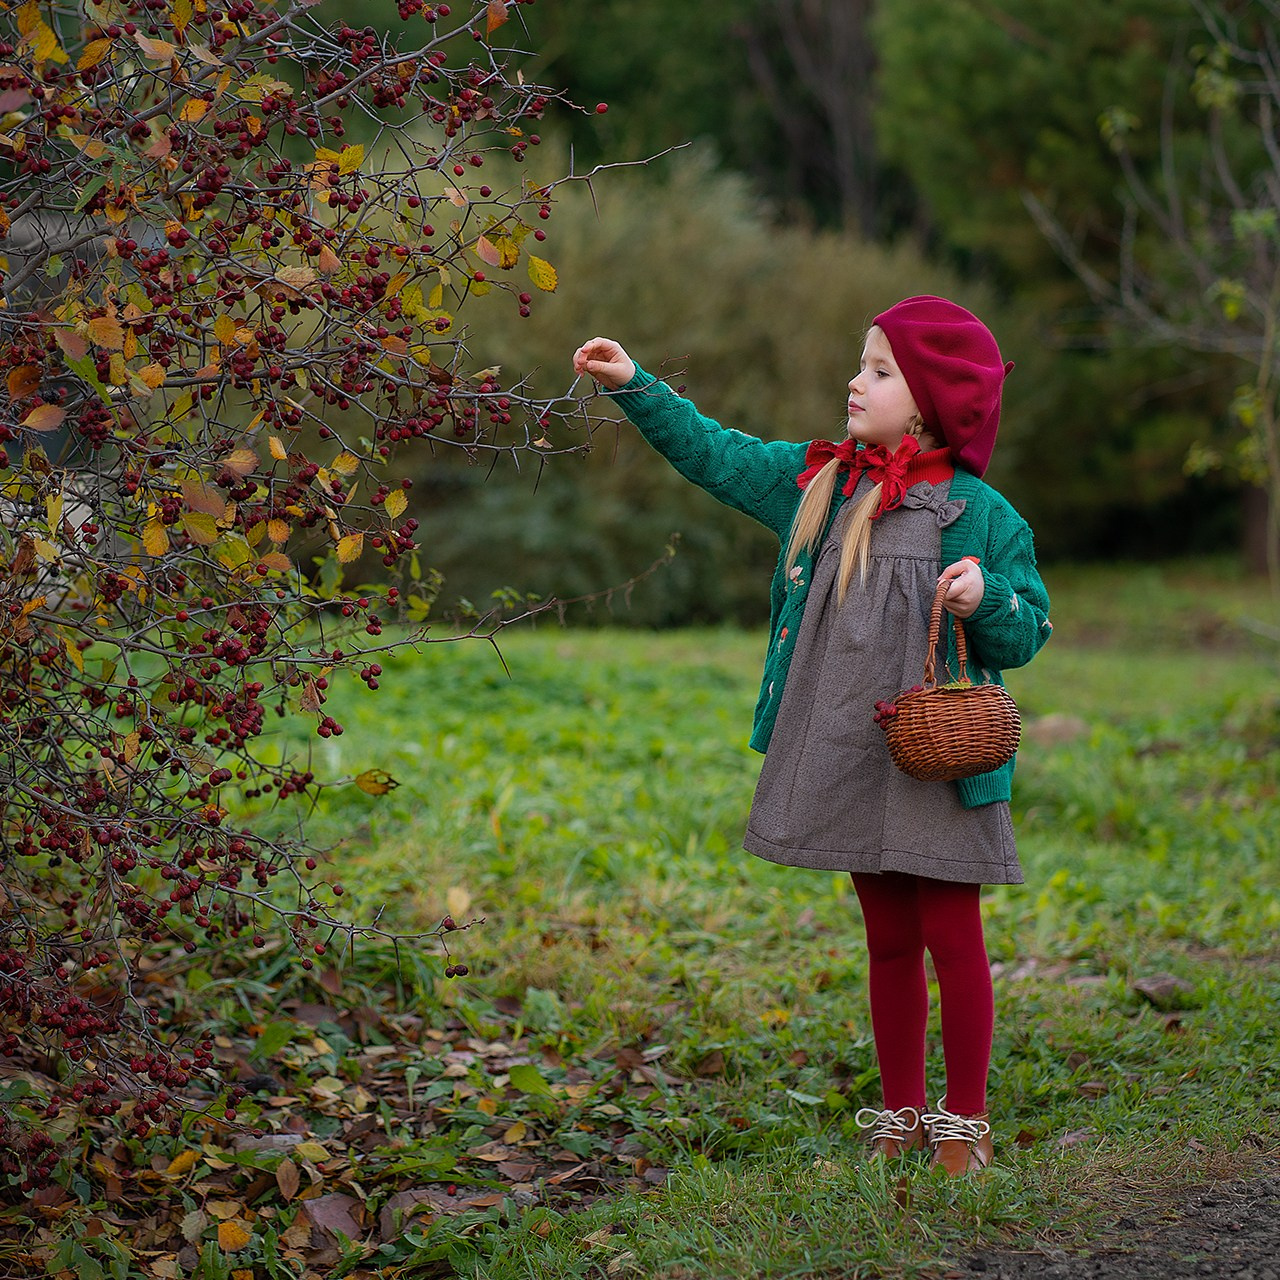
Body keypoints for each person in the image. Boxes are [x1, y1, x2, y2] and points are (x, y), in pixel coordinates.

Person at [572, 297, 1052, 1175]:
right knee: (887, 938)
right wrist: (636, 385)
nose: (854, 381)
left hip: (938, 759)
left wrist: (986, 601)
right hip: (848, 747)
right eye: (859, 364)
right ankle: (901, 1113)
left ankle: (966, 1122)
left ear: (933, 400)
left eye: (878, 370)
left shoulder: (982, 514)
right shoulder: (825, 486)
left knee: (953, 933)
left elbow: (1027, 634)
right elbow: (718, 456)